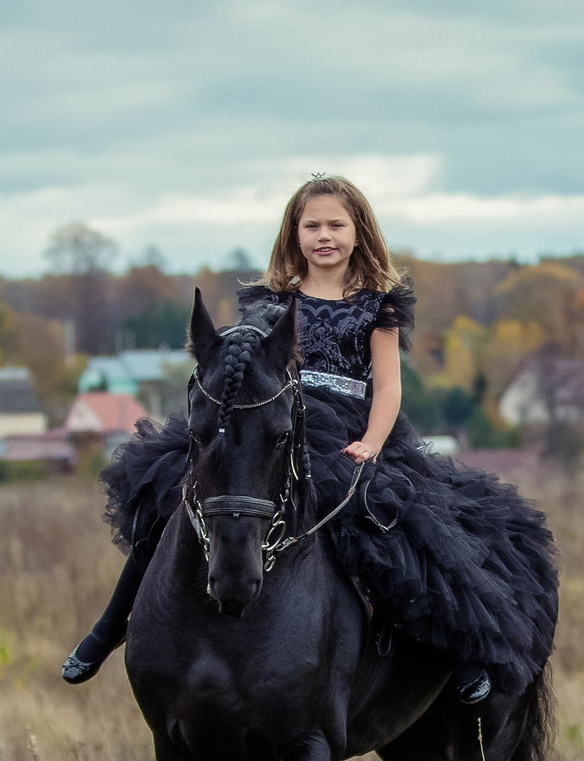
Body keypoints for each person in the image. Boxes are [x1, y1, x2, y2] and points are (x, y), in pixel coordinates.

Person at [62, 175, 554, 703]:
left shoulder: (377, 305)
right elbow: (246, 367)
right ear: (293, 233)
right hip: (275, 423)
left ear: (358, 230)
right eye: (312, 225)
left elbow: (387, 389)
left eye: (336, 225)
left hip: (348, 430)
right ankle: (111, 628)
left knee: (403, 523)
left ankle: (460, 648)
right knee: (170, 497)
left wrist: (371, 442)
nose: (325, 235)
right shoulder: (271, 300)